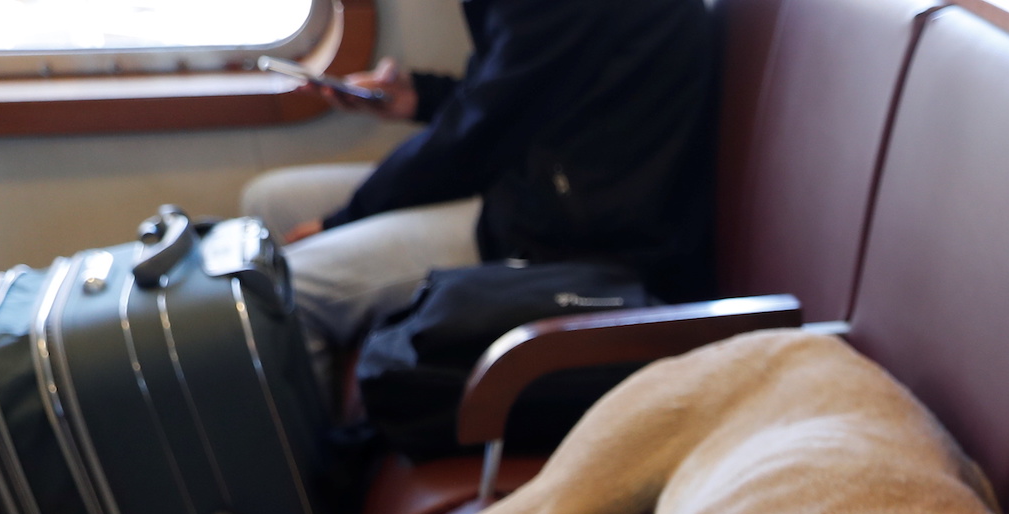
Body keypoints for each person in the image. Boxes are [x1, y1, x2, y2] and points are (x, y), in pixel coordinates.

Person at [243, 0, 716, 380]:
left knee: (288, 289)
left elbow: (480, 135)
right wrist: (419, 97)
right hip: (545, 180)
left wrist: (341, 220)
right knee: (270, 199)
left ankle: (315, 467)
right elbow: (512, 97)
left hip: (587, 233)